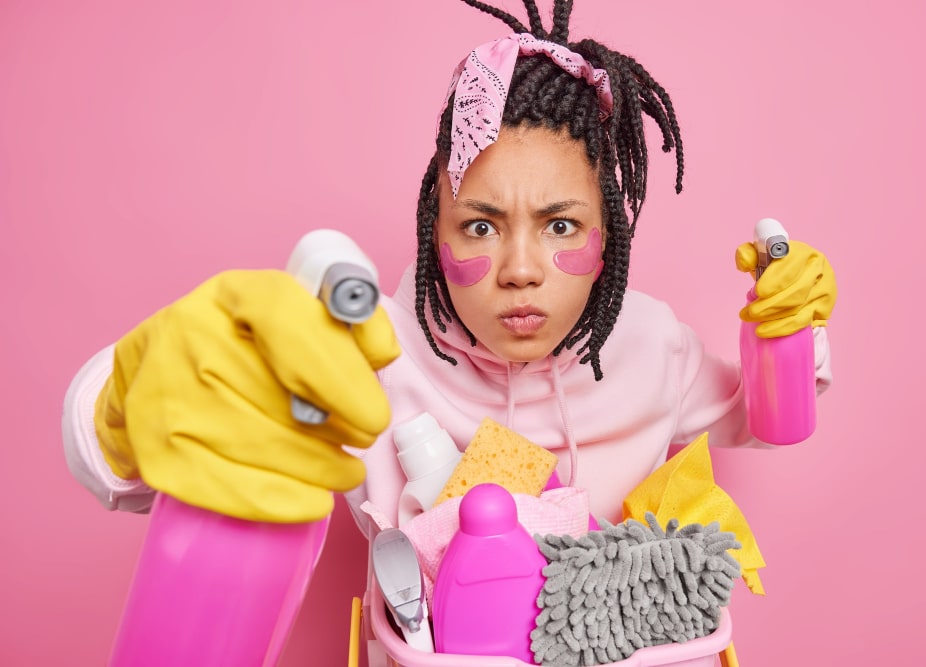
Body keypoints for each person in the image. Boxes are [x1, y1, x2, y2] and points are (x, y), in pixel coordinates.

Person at [63, 0, 836, 535]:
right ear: (435, 234)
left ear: (609, 237)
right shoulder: (371, 350)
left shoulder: (651, 344)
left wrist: (786, 328)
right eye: (481, 225)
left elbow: (764, 421)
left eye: (560, 224)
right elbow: (128, 474)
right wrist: (121, 403)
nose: (522, 270)